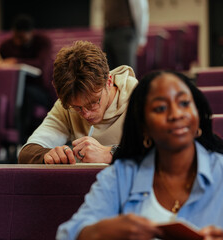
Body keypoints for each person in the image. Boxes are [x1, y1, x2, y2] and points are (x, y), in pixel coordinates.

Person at [56, 70, 223, 239]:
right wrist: (101, 231)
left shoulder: (220, 169)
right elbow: (66, 235)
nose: (176, 114)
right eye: (161, 108)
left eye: (184, 103)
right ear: (143, 126)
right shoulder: (121, 176)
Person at [18, 41, 138, 164]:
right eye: (77, 107)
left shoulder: (139, 98)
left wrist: (111, 154)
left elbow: (156, 153)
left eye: (93, 103)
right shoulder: (67, 104)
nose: (86, 114)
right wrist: (47, 155)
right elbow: (26, 153)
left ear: (108, 82)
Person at [0, 14, 55, 143]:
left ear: (31, 33)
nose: (18, 42)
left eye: (22, 38)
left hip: (42, 90)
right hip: (14, 89)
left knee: (24, 94)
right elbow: (0, 62)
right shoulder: (6, 46)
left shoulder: (42, 42)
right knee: (8, 96)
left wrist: (15, 61)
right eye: (16, 37)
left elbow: (42, 65)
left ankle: (21, 140)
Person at [103, 0, 149, 72]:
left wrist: (141, 39)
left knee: (126, 72)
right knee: (108, 71)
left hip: (124, 31)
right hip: (109, 31)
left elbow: (140, 10)